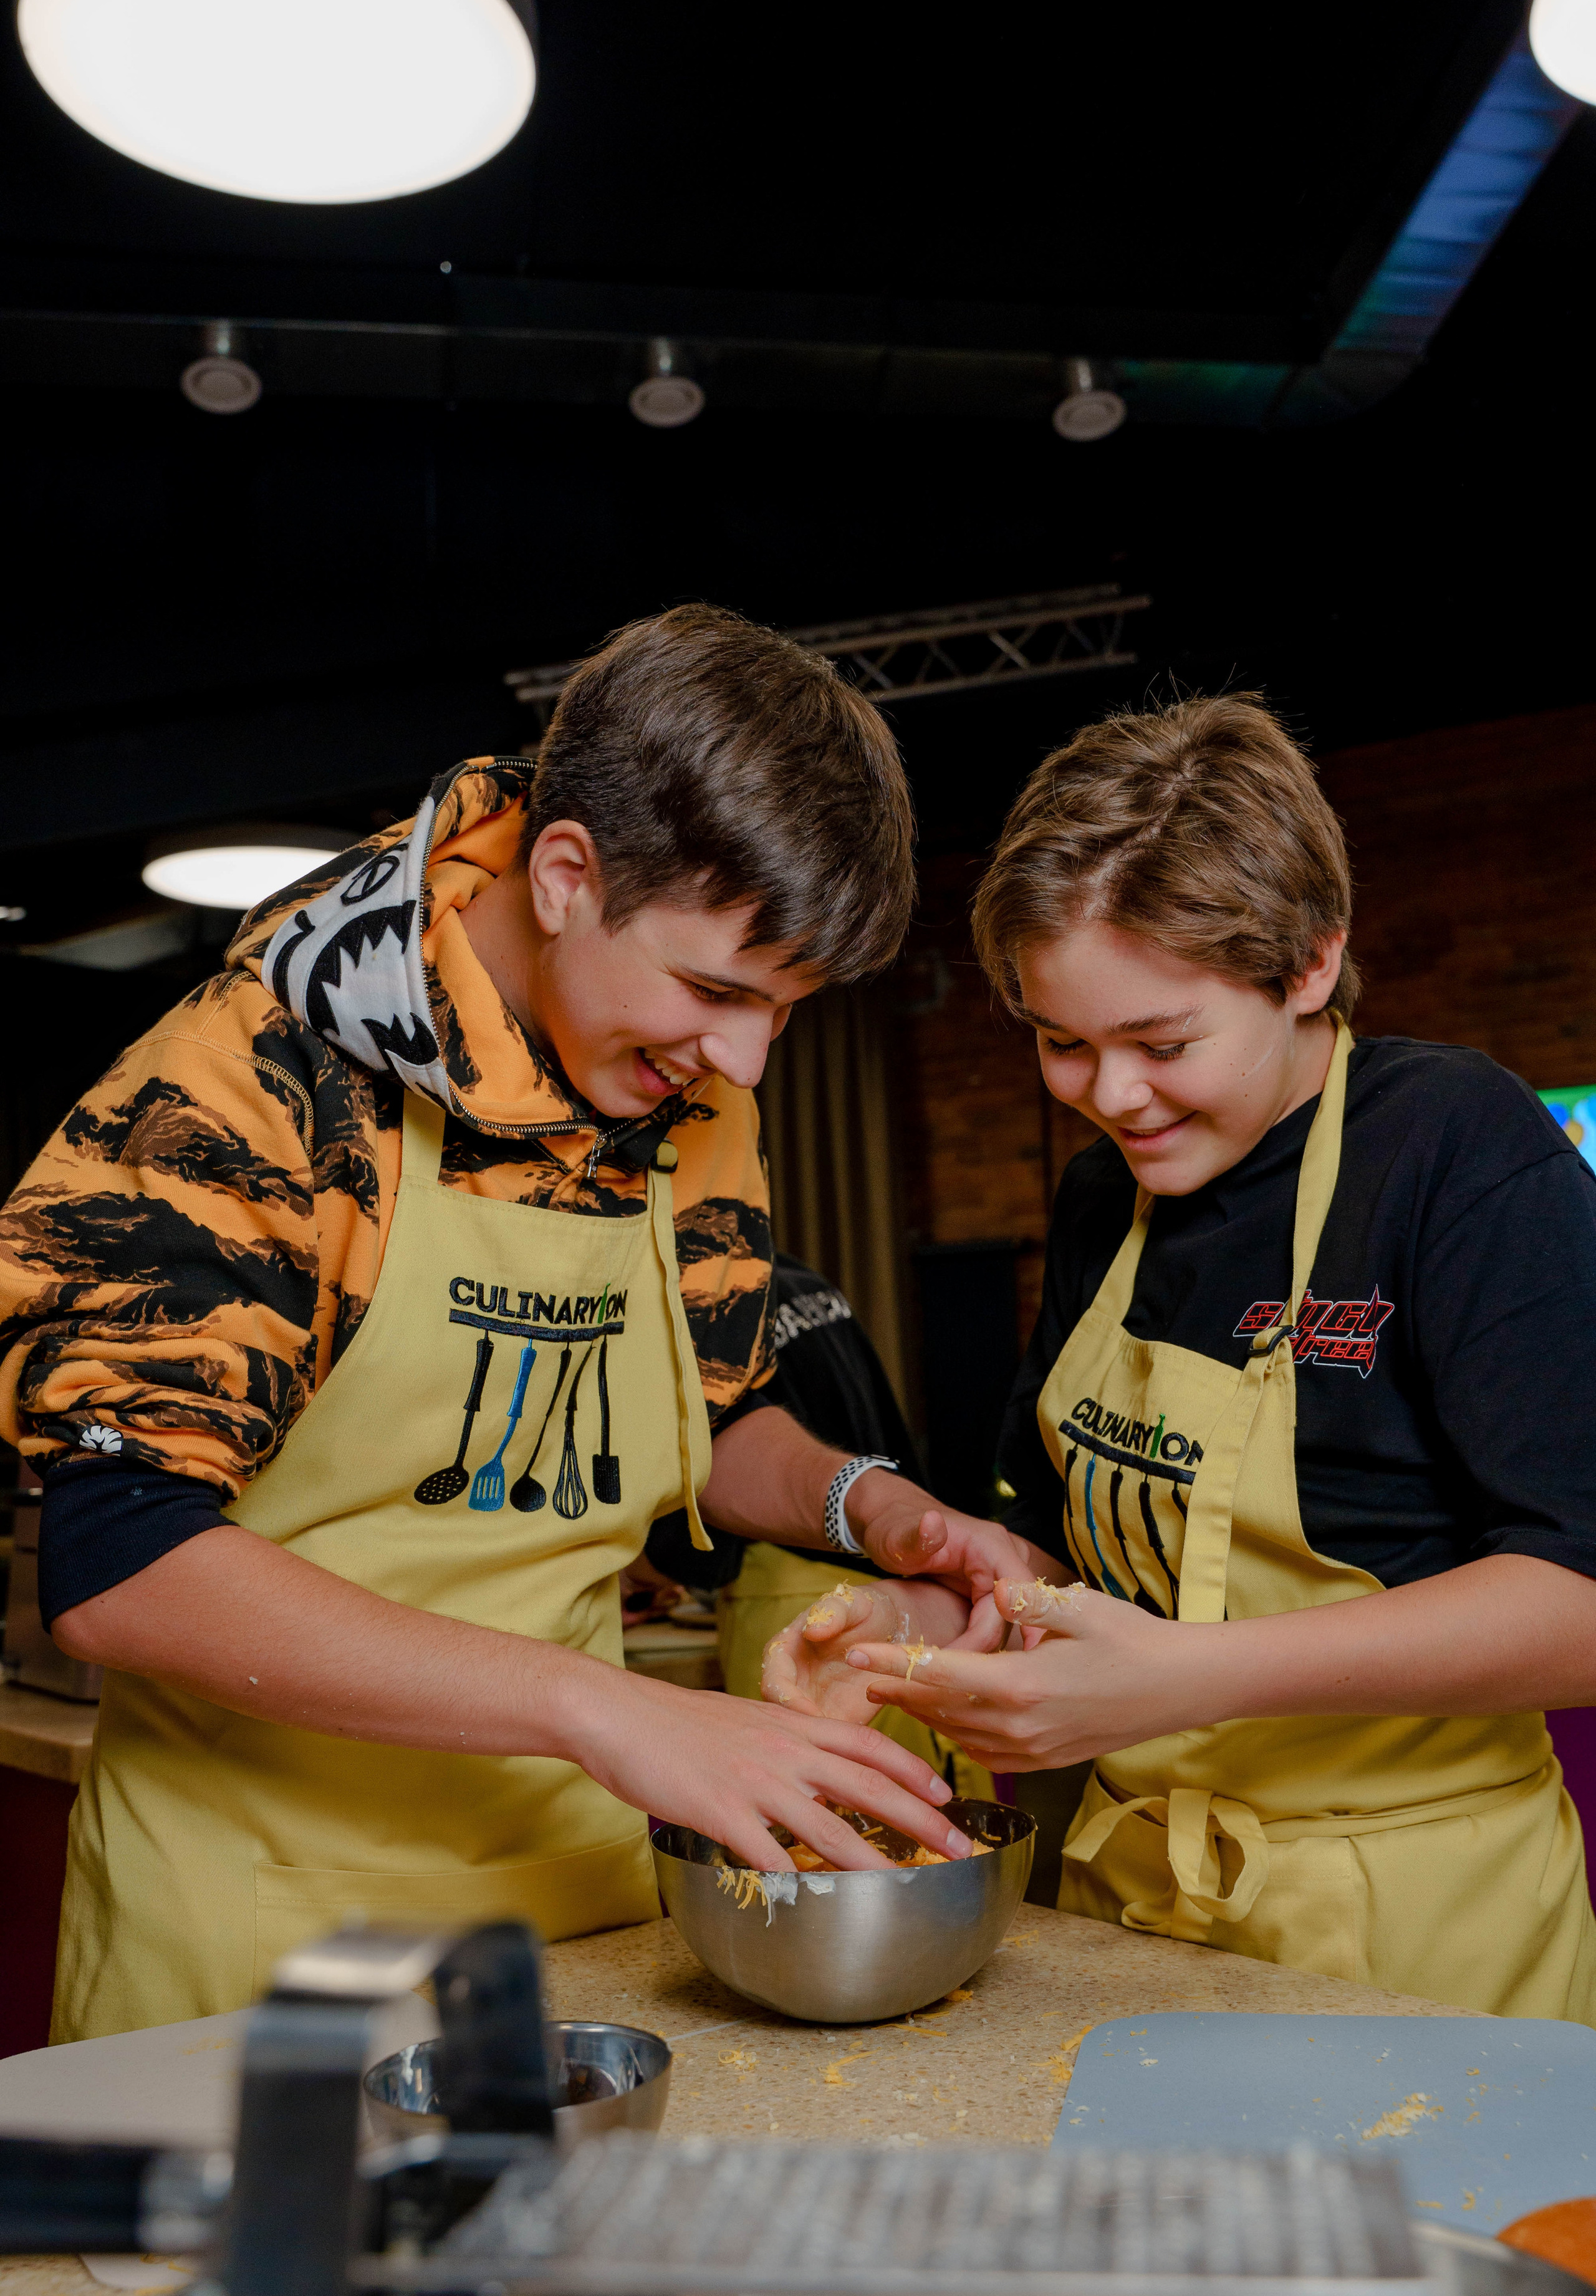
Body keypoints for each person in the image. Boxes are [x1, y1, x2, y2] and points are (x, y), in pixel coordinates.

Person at [0, 605, 1017, 2042]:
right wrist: (603, 1708)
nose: (742, 1058)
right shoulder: (250, 1086)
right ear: (563, 876)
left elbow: (712, 1411)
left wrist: (874, 1507)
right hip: (267, 1931)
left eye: (784, 1008)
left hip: (586, 1907)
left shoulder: (682, 1090)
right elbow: (122, 1565)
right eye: (714, 989)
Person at [765, 692, 1596, 2020]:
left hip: (1413, 1934)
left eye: (1161, 1043)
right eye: (1061, 1044)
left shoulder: (1453, 1151)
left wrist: (1185, 1681)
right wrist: (908, 1636)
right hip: (1130, 1918)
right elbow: (1058, 1567)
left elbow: (1578, 1603)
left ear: (1309, 965)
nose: (1110, 1097)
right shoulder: (1108, 1199)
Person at [649, 1252, 994, 1798]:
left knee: (814, 1805)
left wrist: (646, 1568)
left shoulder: (691, 1300)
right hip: (888, 1571)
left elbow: (699, 1476)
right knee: (915, 1795)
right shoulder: (798, 1278)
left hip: (785, 1590)